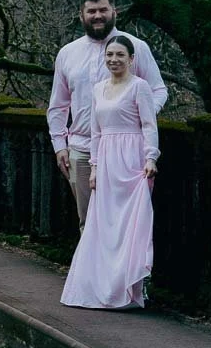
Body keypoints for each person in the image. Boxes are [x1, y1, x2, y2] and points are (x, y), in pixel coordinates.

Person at [48, 0, 167, 226]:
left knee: (125, 219)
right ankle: (92, 264)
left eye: (103, 9)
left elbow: (158, 90)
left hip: (126, 150)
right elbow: (58, 106)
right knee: (88, 220)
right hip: (81, 149)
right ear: (81, 15)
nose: (97, 15)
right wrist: (59, 145)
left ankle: (125, 264)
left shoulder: (136, 47)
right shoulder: (68, 53)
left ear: (115, 11)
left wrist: (141, 116)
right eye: (91, 11)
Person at [61, 36, 161, 309]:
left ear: (131, 58)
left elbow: (149, 125)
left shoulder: (139, 87)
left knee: (131, 224)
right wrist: (93, 167)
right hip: (105, 160)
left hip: (132, 160)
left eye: (119, 55)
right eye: (110, 55)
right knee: (104, 224)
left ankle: (132, 287)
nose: (114, 60)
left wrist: (151, 157)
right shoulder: (98, 89)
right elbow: (96, 131)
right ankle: (101, 285)